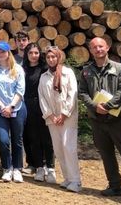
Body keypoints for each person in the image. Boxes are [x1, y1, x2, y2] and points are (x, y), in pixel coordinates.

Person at [78, 37, 121, 202]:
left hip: (117, 121)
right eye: (94, 47)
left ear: (107, 47)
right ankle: (115, 186)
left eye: (101, 46)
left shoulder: (119, 69)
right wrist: (95, 106)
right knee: (106, 154)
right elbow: (82, 92)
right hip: (97, 120)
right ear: (90, 50)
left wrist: (107, 106)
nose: (98, 49)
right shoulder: (86, 71)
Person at [38, 46, 81, 193]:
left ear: (59, 57)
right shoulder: (44, 77)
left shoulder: (68, 73)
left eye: (54, 57)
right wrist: (51, 115)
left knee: (68, 147)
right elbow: (42, 98)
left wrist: (63, 114)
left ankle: (75, 180)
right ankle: (67, 178)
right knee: (58, 148)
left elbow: (72, 94)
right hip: (52, 118)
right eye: (49, 57)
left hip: (67, 116)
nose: (51, 59)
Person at [0, 41, 26, 183]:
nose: (0, 54)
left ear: (8, 52)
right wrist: (3, 107)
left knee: (17, 139)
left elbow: (20, 91)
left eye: (3, 51)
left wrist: (11, 106)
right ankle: (7, 168)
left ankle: (17, 168)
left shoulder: (18, 69)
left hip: (17, 108)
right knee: (3, 140)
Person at [22, 43, 55, 183]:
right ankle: (39, 167)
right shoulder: (22, 69)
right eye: (31, 53)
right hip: (28, 106)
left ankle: (50, 167)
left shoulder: (44, 69)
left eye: (36, 53)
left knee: (47, 138)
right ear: (27, 54)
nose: (33, 56)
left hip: (44, 105)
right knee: (33, 138)